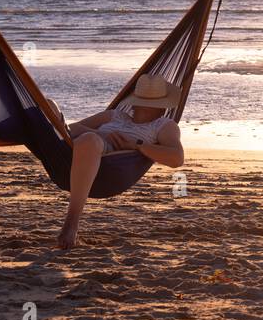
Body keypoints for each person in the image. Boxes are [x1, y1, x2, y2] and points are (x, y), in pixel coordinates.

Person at [55, 74, 185, 249]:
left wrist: (136, 145)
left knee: (89, 141)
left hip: (111, 165)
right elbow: (72, 128)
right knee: (49, 107)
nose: (140, 109)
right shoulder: (114, 115)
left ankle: (71, 224)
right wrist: (103, 134)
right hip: (74, 155)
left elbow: (177, 158)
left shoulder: (163, 125)